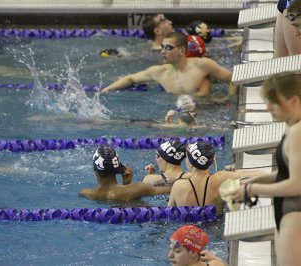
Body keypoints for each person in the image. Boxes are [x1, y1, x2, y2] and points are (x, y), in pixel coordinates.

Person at [229, 72, 301, 266]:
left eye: (273, 102)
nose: (268, 108)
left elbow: (297, 185)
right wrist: (257, 180)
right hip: (289, 210)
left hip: (295, 214)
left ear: (293, 101)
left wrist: (252, 190)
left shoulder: (298, 133)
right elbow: (290, 171)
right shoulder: (293, 127)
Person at [100, 32, 237, 100]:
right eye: (162, 47)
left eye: (168, 47)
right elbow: (131, 79)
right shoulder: (159, 72)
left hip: (209, 113)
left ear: (182, 50)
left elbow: (234, 79)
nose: (163, 51)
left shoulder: (202, 65)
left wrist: (226, 99)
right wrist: (106, 90)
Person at [167, 141, 266, 213]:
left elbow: (168, 215)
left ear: (191, 163)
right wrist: (238, 171)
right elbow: (261, 174)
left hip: (186, 233)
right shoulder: (220, 178)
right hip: (215, 227)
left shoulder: (178, 186)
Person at [78, 144, 172, 201]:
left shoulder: (86, 193)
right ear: (118, 169)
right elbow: (173, 188)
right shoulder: (138, 188)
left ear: (95, 171)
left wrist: (126, 184)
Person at [142, 14, 206, 57]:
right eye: (164, 21)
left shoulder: (148, 50)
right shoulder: (173, 53)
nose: (170, 22)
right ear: (157, 31)